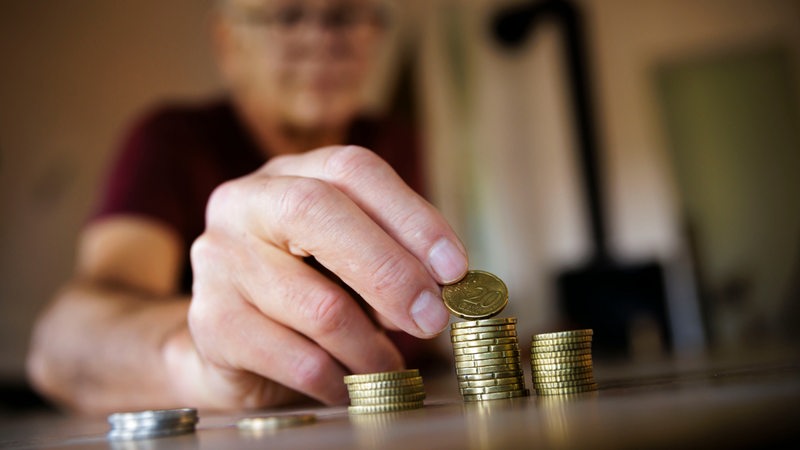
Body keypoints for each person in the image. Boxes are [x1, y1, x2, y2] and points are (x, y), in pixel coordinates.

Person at [26, 0, 468, 414]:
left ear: (373, 35)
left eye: (344, 15)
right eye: (288, 15)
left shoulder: (402, 141)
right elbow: (62, 346)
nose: (321, 39)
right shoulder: (171, 142)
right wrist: (196, 357)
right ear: (228, 42)